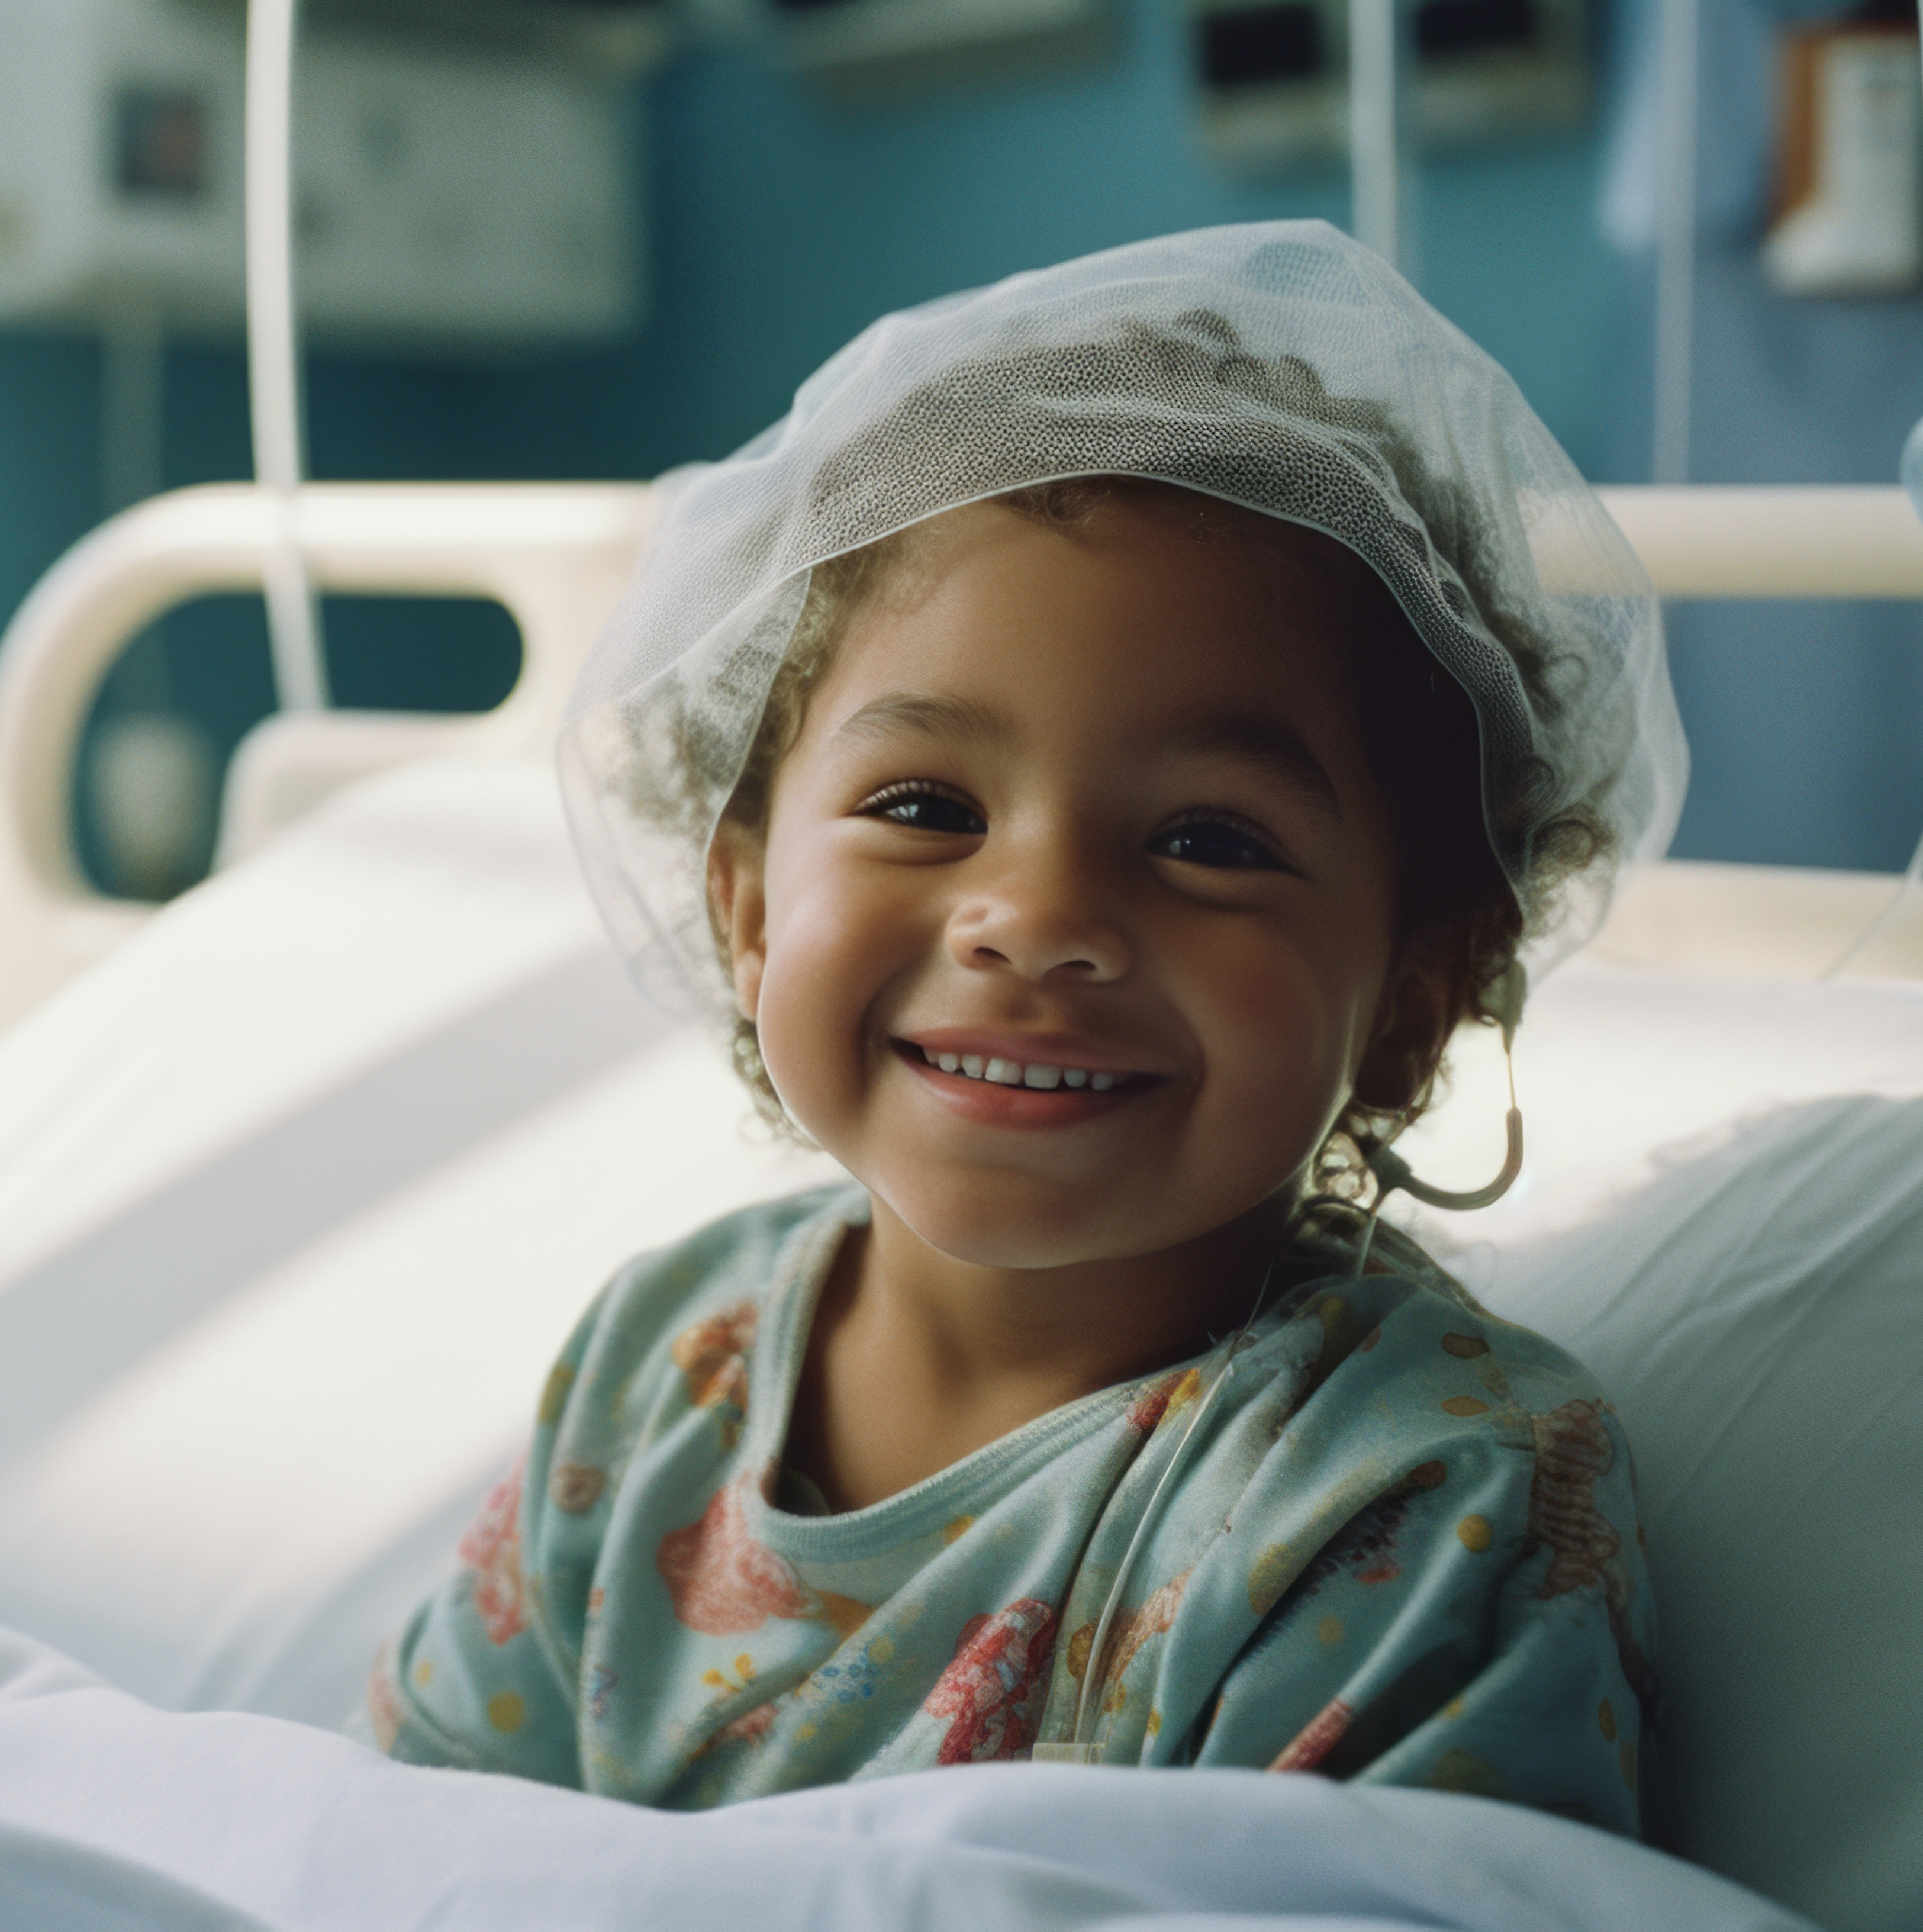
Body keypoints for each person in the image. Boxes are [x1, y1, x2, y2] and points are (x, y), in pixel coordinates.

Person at [358, 223, 1685, 1835]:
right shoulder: (660, 1368)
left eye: (1210, 837)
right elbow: (401, 1846)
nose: (1038, 915)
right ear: (750, 909)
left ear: (1414, 1000)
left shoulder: (1416, 1495)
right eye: (926, 806)